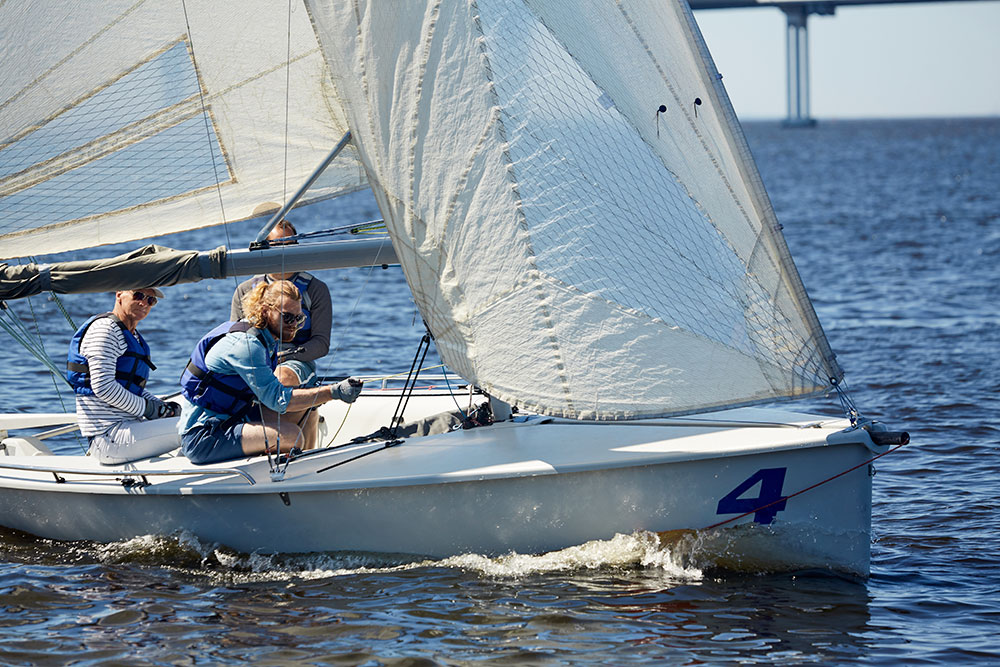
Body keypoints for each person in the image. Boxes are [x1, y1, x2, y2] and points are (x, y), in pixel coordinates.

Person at [179, 279, 361, 465]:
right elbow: (278, 399)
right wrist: (334, 392)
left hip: (233, 418)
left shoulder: (264, 338)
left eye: (299, 319)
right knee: (292, 436)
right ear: (265, 311)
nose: (294, 325)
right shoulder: (247, 345)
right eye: (288, 317)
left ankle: (310, 469)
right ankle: (284, 480)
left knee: (307, 409)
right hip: (203, 436)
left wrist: (318, 396)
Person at [230, 206, 332, 448]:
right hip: (255, 359)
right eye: (278, 245)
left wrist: (285, 355)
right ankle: (264, 440)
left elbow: (321, 343)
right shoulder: (245, 291)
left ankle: (293, 441)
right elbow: (233, 340)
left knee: (282, 377)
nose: (285, 251)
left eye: (291, 245)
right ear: (265, 249)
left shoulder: (316, 290)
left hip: (296, 361)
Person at [67, 287, 180, 465]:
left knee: (190, 416)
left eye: (151, 300)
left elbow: (131, 388)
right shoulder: (105, 331)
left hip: (129, 427)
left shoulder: (129, 334)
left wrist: (160, 407)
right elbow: (103, 387)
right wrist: (148, 409)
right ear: (119, 294)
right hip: (108, 437)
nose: (144, 303)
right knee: (191, 428)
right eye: (139, 295)